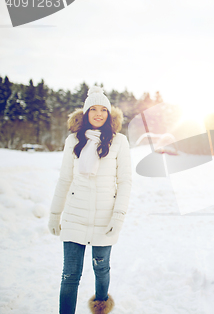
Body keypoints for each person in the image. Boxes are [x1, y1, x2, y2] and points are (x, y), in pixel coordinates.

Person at [48, 86, 132, 314]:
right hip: (75, 215)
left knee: (101, 268)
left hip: (105, 217)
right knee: (70, 274)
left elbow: (125, 182)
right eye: (92, 109)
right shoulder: (73, 140)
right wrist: (55, 213)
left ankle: (101, 305)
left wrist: (118, 215)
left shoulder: (119, 142)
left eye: (102, 109)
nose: (98, 113)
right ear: (85, 114)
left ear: (108, 113)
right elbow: (64, 179)